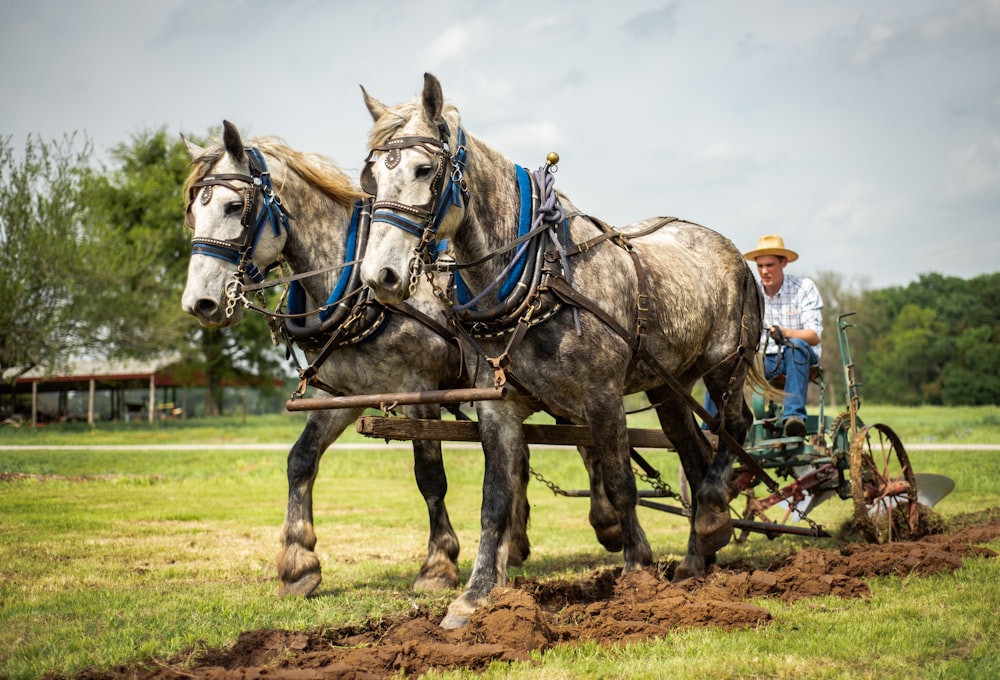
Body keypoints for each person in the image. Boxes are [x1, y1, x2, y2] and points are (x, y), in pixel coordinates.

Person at [745, 234, 823, 436]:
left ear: (784, 262)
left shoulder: (803, 288)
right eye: (760, 266)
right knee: (723, 362)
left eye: (770, 265)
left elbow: (813, 335)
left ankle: (793, 418)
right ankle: (710, 428)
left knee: (795, 346)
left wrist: (785, 333)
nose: (764, 271)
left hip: (800, 357)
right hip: (766, 360)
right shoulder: (751, 293)